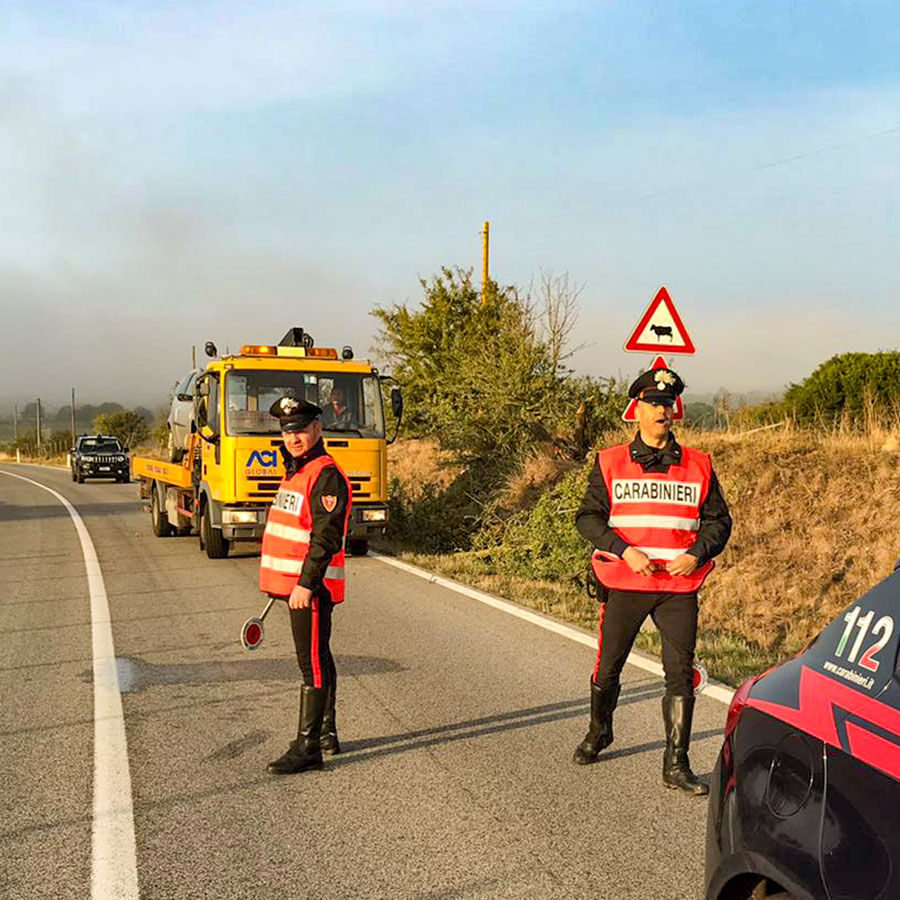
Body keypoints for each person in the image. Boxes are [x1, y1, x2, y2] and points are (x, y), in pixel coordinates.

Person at [572, 366, 732, 795]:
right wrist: (624, 550)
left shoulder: (699, 464)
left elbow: (719, 522)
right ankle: (600, 731)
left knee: (679, 673)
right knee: (609, 667)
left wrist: (696, 553)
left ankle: (676, 764)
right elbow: (587, 518)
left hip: (678, 589)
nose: (662, 410)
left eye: (668, 403)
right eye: (654, 403)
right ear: (637, 410)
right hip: (626, 581)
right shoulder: (609, 461)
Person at [260, 395, 352, 775]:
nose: (293, 438)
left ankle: (308, 747)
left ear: (317, 428)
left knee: (310, 662)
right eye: (287, 432)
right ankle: (326, 733)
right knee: (320, 657)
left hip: (310, 588)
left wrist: (306, 585)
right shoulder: (297, 470)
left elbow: (325, 538)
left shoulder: (325, 474)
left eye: (300, 430)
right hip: (297, 585)